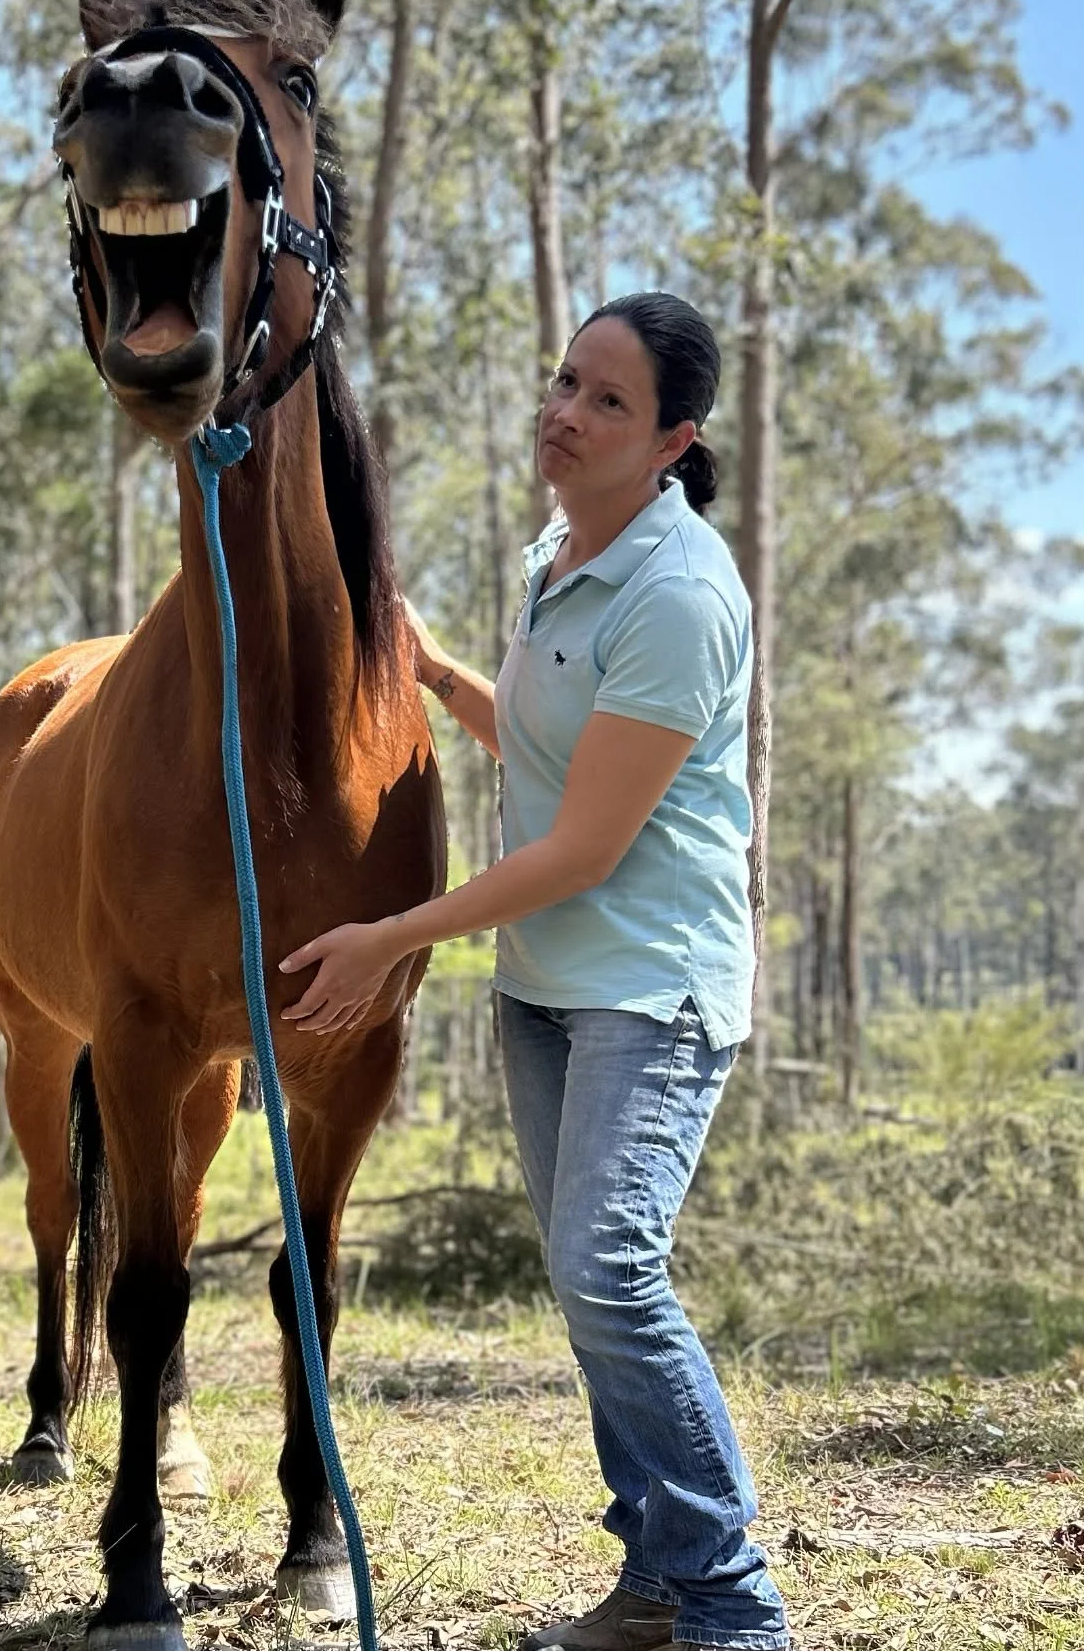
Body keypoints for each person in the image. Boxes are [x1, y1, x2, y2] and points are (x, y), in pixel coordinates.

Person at [279, 292, 790, 1651]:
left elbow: (582, 843)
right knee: (586, 1286)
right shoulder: (559, 551)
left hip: (649, 983)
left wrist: (392, 935)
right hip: (546, 984)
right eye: (565, 380)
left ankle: (733, 1610)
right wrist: (441, 673)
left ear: (673, 438)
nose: (562, 412)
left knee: (611, 1269)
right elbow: (553, 745)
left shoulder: (679, 594)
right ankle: (649, 1588)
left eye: (607, 400)